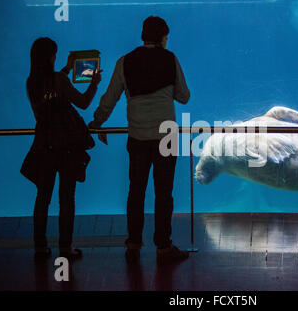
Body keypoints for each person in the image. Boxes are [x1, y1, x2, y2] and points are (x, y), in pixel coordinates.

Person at [88, 16, 190, 263]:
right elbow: (184, 96)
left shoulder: (125, 62)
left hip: (137, 137)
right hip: (166, 137)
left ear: (143, 36)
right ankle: (163, 246)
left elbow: (110, 98)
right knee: (163, 193)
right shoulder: (170, 59)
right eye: (167, 37)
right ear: (163, 37)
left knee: (136, 191)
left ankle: (133, 242)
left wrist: (97, 122)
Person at [24, 37, 101, 259]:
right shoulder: (59, 80)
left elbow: (51, 91)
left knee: (43, 197)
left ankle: (40, 247)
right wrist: (94, 83)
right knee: (66, 198)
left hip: (44, 146)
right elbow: (84, 102)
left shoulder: (31, 83)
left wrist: (67, 68)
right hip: (67, 147)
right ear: (50, 57)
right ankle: (65, 248)